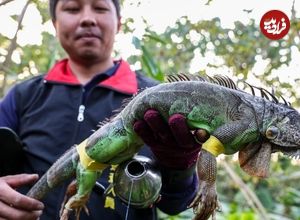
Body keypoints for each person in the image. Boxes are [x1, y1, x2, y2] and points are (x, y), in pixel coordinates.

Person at [0, 0, 203, 219]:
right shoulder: (22, 95)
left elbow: (177, 204)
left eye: (100, 8)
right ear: (54, 23)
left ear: (119, 23)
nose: (88, 18)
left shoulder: (157, 97)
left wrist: (181, 167)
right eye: (72, 8)